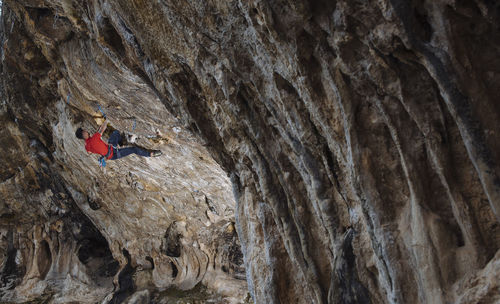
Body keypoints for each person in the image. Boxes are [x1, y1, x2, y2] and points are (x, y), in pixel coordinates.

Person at [75, 119, 161, 163]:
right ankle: (150, 154)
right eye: (84, 131)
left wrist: (99, 149)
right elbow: (102, 129)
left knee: (115, 133)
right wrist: (106, 121)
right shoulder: (94, 138)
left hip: (110, 154)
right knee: (133, 149)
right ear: (84, 134)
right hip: (115, 152)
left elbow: (89, 153)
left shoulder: (87, 147)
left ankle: (121, 144)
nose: (86, 131)